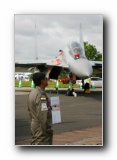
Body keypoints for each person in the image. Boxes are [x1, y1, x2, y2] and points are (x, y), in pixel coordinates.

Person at [27, 72, 53, 145]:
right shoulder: (41, 95)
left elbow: (30, 110)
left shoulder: (32, 92)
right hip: (41, 129)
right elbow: (42, 114)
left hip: (35, 125)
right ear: (42, 81)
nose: (47, 80)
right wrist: (47, 129)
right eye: (46, 79)